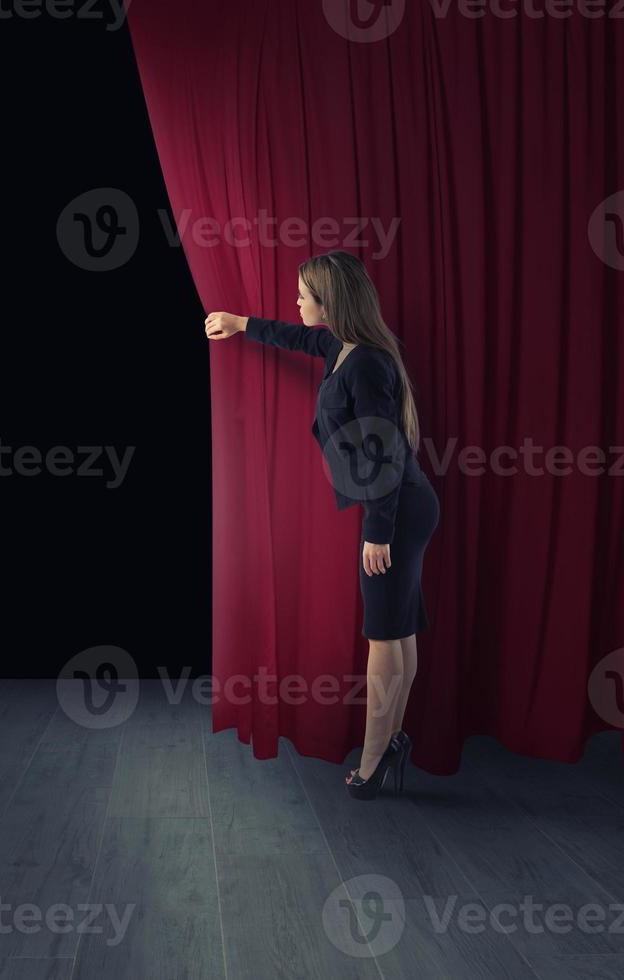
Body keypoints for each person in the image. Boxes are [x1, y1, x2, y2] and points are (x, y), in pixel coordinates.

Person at [204, 250, 439, 800]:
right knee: (398, 629)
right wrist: (241, 324)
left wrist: (378, 529)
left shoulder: (367, 363)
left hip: (397, 509)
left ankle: (375, 758)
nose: (297, 301)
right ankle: (395, 742)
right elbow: (300, 339)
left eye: (305, 293)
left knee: (384, 634)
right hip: (405, 502)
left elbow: (381, 449)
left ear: (331, 301)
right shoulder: (344, 347)